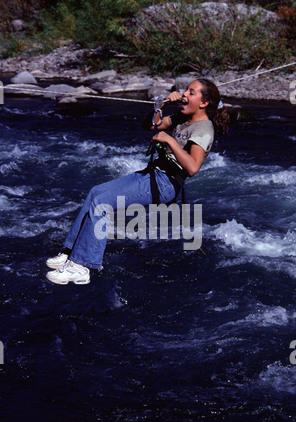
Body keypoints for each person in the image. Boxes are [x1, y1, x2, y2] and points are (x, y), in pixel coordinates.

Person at [46, 78, 230, 285]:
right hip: (152, 174)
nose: (184, 94)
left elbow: (193, 167)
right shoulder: (182, 118)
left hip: (165, 183)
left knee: (102, 203)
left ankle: (82, 266)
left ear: (204, 103)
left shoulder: (203, 129)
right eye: (186, 90)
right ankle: (70, 252)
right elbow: (152, 124)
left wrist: (169, 140)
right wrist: (161, 106)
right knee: (96, 193)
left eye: (192, 92)